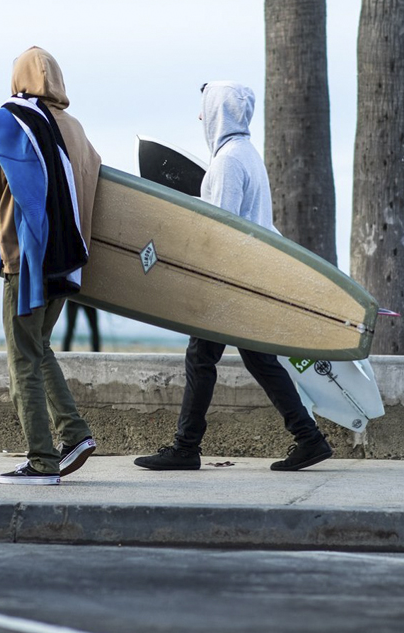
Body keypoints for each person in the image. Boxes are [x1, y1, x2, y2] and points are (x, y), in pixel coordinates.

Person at [134, 80, 333, 473]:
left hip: (230, 280)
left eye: (205, 108)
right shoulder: (246, 154)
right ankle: (309, 438)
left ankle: (186, 448)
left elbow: (218, 228)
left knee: (201, 358)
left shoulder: (228, 161)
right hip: (248, 276)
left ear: (218, 112)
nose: (200, 116)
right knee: (258, 360)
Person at [0, 46, 101, 484]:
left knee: (22, 360)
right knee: (39, 348)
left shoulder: (10, 121)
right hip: (68, 262)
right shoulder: (78, 132)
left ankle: (42, 460)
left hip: (24, 261)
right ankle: (75, 433)